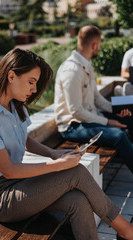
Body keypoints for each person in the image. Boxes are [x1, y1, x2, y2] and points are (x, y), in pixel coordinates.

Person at [0, 48, 133, 240]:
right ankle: (125, 230)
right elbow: (7, 170)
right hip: (2, 197)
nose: (34, 90)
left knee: (78, 200)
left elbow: (25, 140)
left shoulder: (15, 106)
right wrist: (56, 165)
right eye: (31, 82)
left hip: (22, 185)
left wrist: (54, 154)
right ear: (11, 76)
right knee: (76, 172)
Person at [54, 25, 133, 175]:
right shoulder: (72, 71)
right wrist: (108, 122)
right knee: (118, 135)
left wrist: (115, 111)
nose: (99, 48)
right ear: (94, 45)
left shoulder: (87, 66)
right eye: (100, 44)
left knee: (129, 116)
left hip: (89, 118)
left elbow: (96, 98)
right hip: (72, 126)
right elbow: (76, 111)